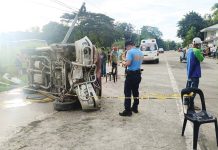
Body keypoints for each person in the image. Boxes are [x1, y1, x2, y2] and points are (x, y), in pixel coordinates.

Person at [119, 40, 143, 117]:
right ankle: (135, 107)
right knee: (136, 92)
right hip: (138, 74)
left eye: (126, 48)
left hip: (131, 75)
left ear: (128, 46)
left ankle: (127, 110)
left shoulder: (130, 52)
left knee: (127, 92)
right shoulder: (140, 52)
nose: (126, 49)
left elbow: (128, 63)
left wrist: (123, 63)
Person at [185, 37, 204, 110]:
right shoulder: (196, 51)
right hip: (195, 75)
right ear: (198, 44)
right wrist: (200, 52)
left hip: (189, 73)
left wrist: (189, 75)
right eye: (199, 44)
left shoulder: (189, 50)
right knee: (194, 91)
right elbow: (201, 59)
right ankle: (191, 105)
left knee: (189, 89)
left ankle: (187, 102)